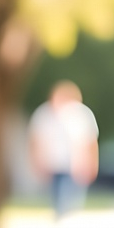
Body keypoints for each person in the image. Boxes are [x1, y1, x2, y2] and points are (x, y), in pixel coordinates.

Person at [28, 80, 99, 217]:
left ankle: (68, 218)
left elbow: (90, 142)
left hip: (76, 165)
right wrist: (37, 162)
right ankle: (61, 219)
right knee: (57, 199)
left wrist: (92, 164)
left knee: (73, 199)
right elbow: (35, 141)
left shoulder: (82, 115)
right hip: (52, 165)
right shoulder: (44, 114)